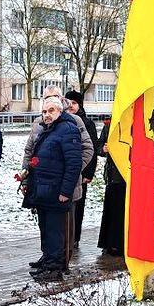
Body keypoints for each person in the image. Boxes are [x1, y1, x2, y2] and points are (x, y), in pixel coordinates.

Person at [22, 88, 93, 271]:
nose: (47, 110)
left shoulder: (72, 122)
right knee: (46, 226)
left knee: (62, 228)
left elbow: (84, 151)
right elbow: (31, 151)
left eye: (52, 102)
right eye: (45, 101)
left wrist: (70, 173)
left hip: (63, 185)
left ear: (60, 104)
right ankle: (48, 257)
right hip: (43, 184)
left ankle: (61, 262)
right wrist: (26, 176)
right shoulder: (40, 123)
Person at [65, 91, 99, 244]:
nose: (71, 106)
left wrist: (88, 173)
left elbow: (91, 149)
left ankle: (74, 238)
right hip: (64, 171)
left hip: (80, 172)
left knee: (78, 206)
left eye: (74, 103)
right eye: (69, 102)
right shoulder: (62, 120)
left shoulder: (87, 123)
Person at [96, 118, 125, 257]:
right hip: (113, 175)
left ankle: (122, 243)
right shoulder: (109, 125)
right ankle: (110, 243)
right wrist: (103, 149)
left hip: (128, 175)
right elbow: (99, 146)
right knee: (112, 210)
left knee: (123, 211)